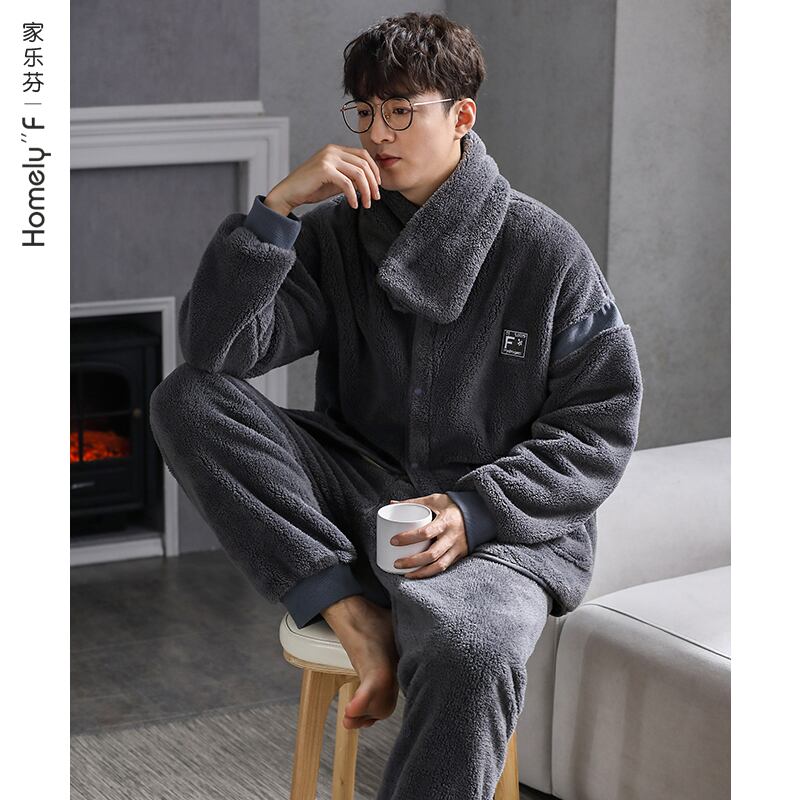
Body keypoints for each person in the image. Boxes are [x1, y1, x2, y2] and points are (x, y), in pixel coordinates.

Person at [149, 11, 643, 799]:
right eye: (366, 110)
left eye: (403, 110)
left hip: (497, 525)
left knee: (471, 649)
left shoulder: (544, 250)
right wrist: (276, 210)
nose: (379, 132)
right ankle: (356, 616)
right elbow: (217, 352)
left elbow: (601, 425)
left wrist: (475, 510)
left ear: (462, 115)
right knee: (187, 398)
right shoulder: (339, 233)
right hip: (363, 489)